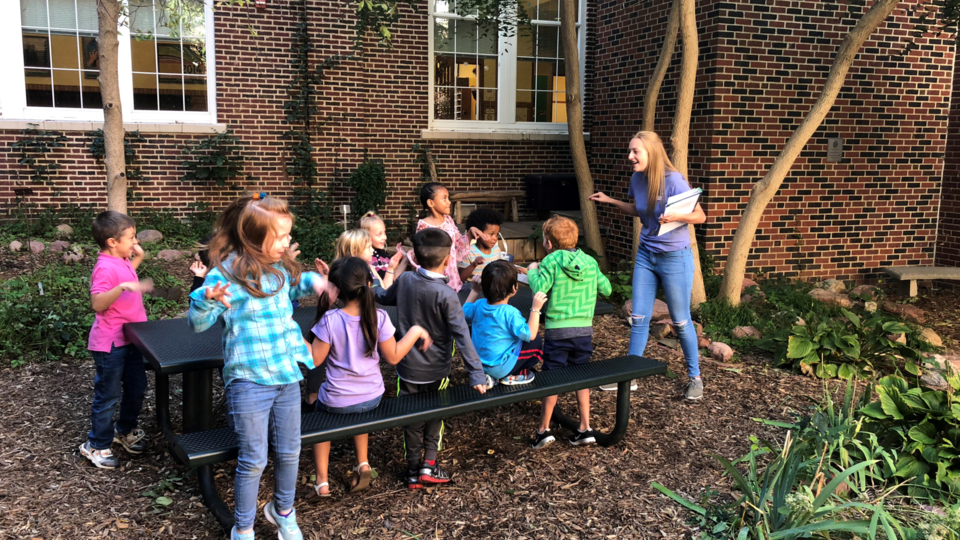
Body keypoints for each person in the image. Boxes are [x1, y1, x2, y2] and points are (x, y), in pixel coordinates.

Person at [188, 194, 332, 540]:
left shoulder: (277, 269)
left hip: (286, 375)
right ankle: (244, 528)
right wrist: (206, 300)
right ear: (253, 238)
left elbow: (293, 285)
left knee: (289, 450)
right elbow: (196, 324)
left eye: (287, 235)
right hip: (249, 380)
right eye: (281, 236)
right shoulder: (224, 276)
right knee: (254, 459)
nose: (287, 242)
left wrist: (315, 281)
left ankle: (283, 511)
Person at [589, 131, 706, 400]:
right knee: (639, 317)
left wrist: (678, 215)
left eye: (635, 152)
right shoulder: (637, 178)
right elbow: (639, 211)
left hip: (674, 257)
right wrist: (611, 200)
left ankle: (695, 378)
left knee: (680, 320)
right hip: (646, 254)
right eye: (630, 151)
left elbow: (700, 215)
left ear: (651, 152)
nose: (630, 156)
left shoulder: (673, 180)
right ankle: (629, 376)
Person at [306, 257, 433, 499]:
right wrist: (416, 330)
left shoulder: (330, 320)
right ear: (368, 282)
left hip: (336, 401)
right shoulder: (379, 317)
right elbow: (393, 357)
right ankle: (363, 463)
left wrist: (293, 334)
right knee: (359, 409)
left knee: (319, 420)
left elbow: (315, 360)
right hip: (371, 398)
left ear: (337, 290)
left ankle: (321, 481)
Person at [374, 227, 487, 489]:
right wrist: (476, 374)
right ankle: (429, 465)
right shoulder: (447, 294)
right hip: (438, 370)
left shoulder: (405, 281)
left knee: (411, 419)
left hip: (407, 368)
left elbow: (382, 295)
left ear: (414, 257)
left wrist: (367, 286)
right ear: (449, 260)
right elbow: (462, 336)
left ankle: (413, 471)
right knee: (436, 416)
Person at [527, 216, 612, 449]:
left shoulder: (550, 261)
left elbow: (540, 290)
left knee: (552, 378)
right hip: (584, 330)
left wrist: (532, 270)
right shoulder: (590, 261)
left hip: (557, 331)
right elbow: (607, 288)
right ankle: (585, 427)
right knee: (581, 376)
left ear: (548, 243)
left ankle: (543, 430)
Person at [80, 211, 154, 469]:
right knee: (108, 396)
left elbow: (124, 278)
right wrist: (123, 287)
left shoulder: (122, 259)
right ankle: (96, 445)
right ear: (112, 242)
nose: (135, 243)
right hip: (110, 343)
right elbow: (98, 303)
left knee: (136, 389)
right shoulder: (103, 267)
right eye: (131, 238)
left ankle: (124, 430)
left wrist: (137, 259)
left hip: (133, 338)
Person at [305, 229, 406, 408]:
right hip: (370, 389)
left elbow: (383, 292)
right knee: (320, 342)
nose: (372, 250)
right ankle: (312, 394)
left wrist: (390, 269)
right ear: (354, 253)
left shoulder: (370, 270)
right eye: (367, 247)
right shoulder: (348, 276)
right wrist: (326, 278)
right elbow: (329, 303)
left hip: (367, 323)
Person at [463, 261, 547, 388]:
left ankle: (490, 377)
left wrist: (474, 290)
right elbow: (530, 335)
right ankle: (516, 375)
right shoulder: (510, 313)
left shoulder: (479, 305)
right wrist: (535, 309)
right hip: (499, 368)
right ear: (514, 288)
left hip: (477, 366)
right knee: (536, 342)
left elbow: (463, 312)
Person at [413, 182, 490, 292]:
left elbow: (458, 246)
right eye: (444, 198)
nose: (449, 202)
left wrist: (470, 234)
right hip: (433, 280)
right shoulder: (424, 225)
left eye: (448, 198)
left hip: (451, 277)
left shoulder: (448, 220)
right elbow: (421, 255)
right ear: (431, 203)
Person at [458, 207, 509, 281]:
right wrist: (474, 264)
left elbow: (502, 267)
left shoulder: (496, 250)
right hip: (474, 289)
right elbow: (461, 278)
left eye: (496, 234)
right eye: (491, 234)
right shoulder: (468, 252)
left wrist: (516, 269)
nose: (495, 238)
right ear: (477, 233)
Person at [358, 212, 391, 278]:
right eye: (379, 234)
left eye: (384, 232)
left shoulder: (384, 254)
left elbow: (393, 278)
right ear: (366, 236)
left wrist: (405, 259)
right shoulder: (365, 258)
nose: (385, 237)